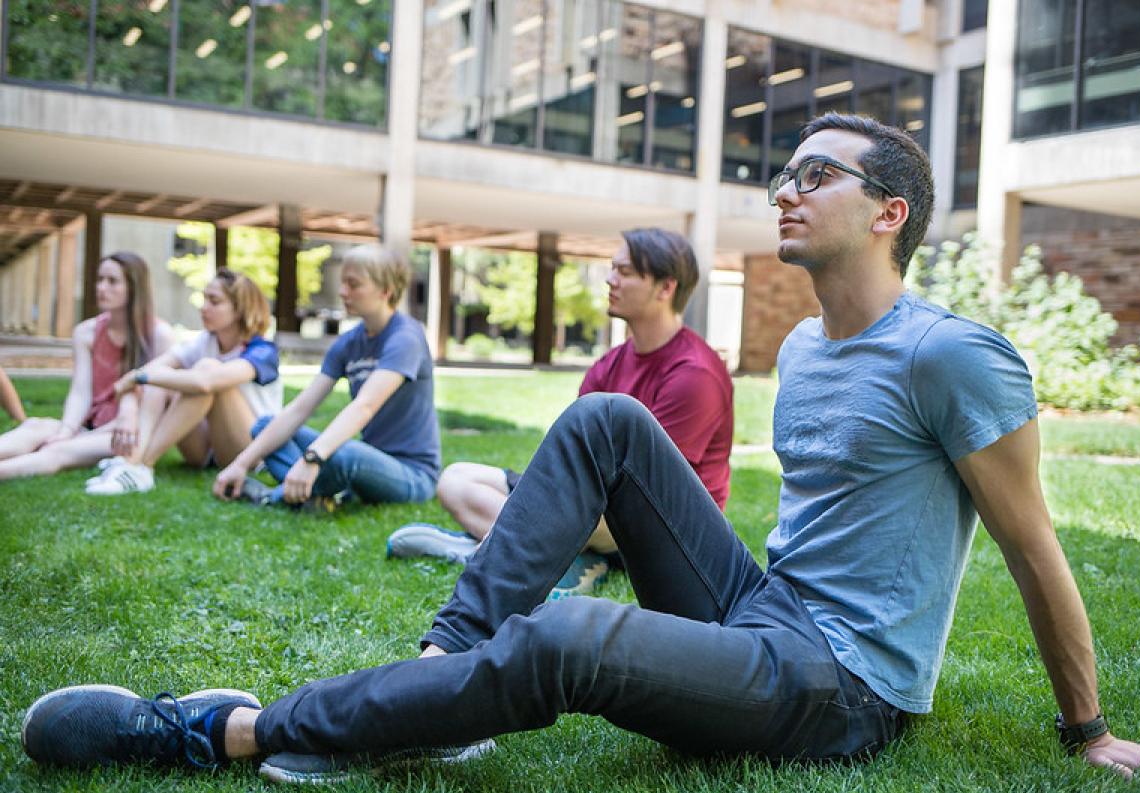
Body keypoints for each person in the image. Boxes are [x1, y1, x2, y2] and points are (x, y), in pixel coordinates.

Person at [21, 115, 1140, 785]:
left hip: (842, 687)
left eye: (817, 174)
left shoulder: (953, 355)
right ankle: (448, 671)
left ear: (891, 212)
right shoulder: (806, 354)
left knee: (572, 631)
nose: (786, 188)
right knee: (602, 422)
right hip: (765, 607)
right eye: (782, 171)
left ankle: (216, 729)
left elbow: (1036, 545)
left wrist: (1091, 735)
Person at [388, 227, 734, 599]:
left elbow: (656, 493)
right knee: (456, 479)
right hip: (592, 502)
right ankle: (530, 552)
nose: (610, 279)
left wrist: (557, 503)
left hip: (658, 522)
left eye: (626, 272)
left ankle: (497, 547)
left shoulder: (693, 374)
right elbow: (574, 452)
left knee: (567, 510)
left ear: (665, 288)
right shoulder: (609, 364)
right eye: (612, 268)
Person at [211, 244, 439, 510]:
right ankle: (310, 495)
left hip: (412, 475)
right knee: (265, 426)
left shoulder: (405, 338)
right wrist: (240, 464)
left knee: (343, 454)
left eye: (353, 284)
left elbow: (364, 406)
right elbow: (299, 409)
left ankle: (273, 497)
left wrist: (313, 458)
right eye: (343, 282)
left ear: (385, 290)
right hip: (366, 462)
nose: (342, 292)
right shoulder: (349, 343)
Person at [84, 269, 282, 495]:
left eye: (214, 301)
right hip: (204, 451)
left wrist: (140, 377)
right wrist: (128, 407)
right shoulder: (204, 342)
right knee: (166, 379)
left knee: (205, 370)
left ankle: (142, 466)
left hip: (250, 451)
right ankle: (132, 461)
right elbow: (147, 373)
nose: (203, 307)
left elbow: (204, 382)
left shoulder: (263, 351)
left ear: (239, 309)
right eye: (204, 298)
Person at [0, 252, 171, 482]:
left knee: (56, 451)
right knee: (35, 427)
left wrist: (70, 440)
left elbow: (153, 405)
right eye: (99, 280)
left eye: (112, 281)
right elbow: (81, 392)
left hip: (128, 433)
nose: (102, 287)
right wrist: (66, 430)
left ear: (134, 287)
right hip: (91, 426)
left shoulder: (159, 336)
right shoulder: (86, 332)